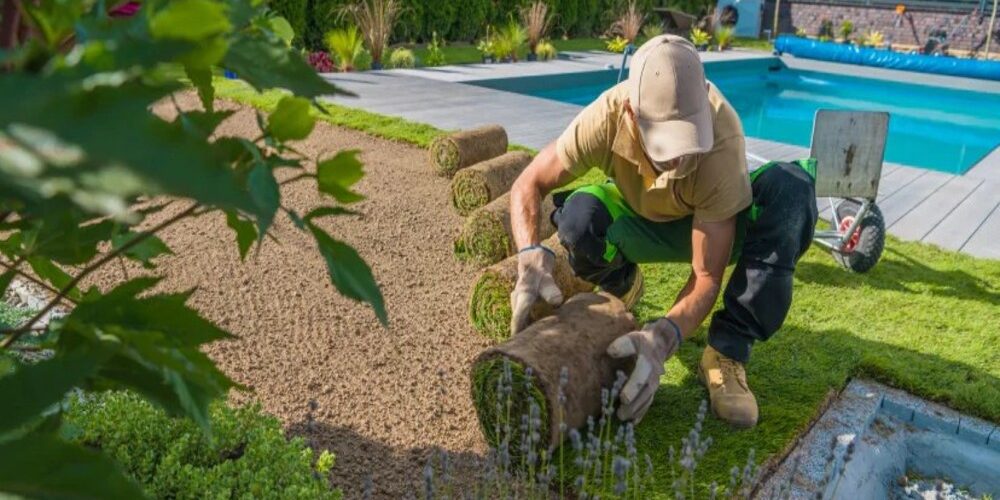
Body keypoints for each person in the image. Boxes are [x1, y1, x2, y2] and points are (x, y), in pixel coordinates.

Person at [507, 35, 817, 428]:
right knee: (578, 218)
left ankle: (726, 351)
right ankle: (622, 284)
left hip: (716, 223)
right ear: (631, 114)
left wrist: (665, 337)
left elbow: (706, 276)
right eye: (668, 140)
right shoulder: (604, 117)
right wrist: (529, 254)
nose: (680, 156)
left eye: (689, 136)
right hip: (642, 216)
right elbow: (529, 183)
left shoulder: (722, 133)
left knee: (792, 191)